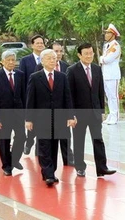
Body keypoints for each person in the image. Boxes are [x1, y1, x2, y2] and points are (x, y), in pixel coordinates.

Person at [25, 49, 76, 186]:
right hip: (41, 119)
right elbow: (30, 99)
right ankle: (49, 174)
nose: (53, 61)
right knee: (44, 146)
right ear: (42, 61)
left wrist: (70, 116)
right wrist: (29, 119)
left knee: (54, 146)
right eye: (49, 58)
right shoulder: (35, 77)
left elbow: (67, 98)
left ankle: (49, 171)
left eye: (54, 58)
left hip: (59, 118)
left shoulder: (62, 77)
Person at [67, 43, 116, 178]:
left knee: (98, 140)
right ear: (79, 55)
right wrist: (71, 115)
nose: (89, 56)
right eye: (86, 53)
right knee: (79, 141)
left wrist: (101, 111)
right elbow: (69, 95)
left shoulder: (97, 69)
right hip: (79, 114)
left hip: (94, 113)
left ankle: (102, 168)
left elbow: (100, 91)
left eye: (91, 53)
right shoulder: (72, 71)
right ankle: (80, 167)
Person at [36, 42, 73, 166]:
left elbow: (67, 94)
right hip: (43, 114)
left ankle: (67, 158)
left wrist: (70, 114)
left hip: (60, 114)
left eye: (60, 52)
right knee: (46, 144)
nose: (57, 56)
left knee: (62, 140)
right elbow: (32, 95)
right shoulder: (38, 72)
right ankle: (48, 172)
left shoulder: (65, 69)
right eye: (55, 52)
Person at [0, 50, 26, 176]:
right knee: (4, 141)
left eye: (13, 60)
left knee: (21, 137)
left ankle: (14, 159)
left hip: (18, 113)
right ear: (3, 61)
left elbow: (24, 95)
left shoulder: (20, 75)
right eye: (8, 60)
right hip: (3, 114)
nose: (11, 62)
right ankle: (6, 166)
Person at [20, 34, 45, 154]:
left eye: (42, 43)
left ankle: (38, 150)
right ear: (32, 45)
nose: (40, 45)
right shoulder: (25, 60)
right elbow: (22, 79)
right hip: (31, 96)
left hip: (44, 98)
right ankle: (29, 141)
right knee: (32, 121)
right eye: (37, 43)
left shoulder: (49, 58)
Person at [100, 24, 121, 125]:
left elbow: (107, 59)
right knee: (108, 96)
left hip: (113, 74)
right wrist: (102, 59)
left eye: (108, 33)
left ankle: (115, 116)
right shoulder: (106, 45)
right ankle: (111, 115)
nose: (106, 34)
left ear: (113, 34)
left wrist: (101, 59)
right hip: (106, 74)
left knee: (113, 96)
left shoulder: (115, 45)